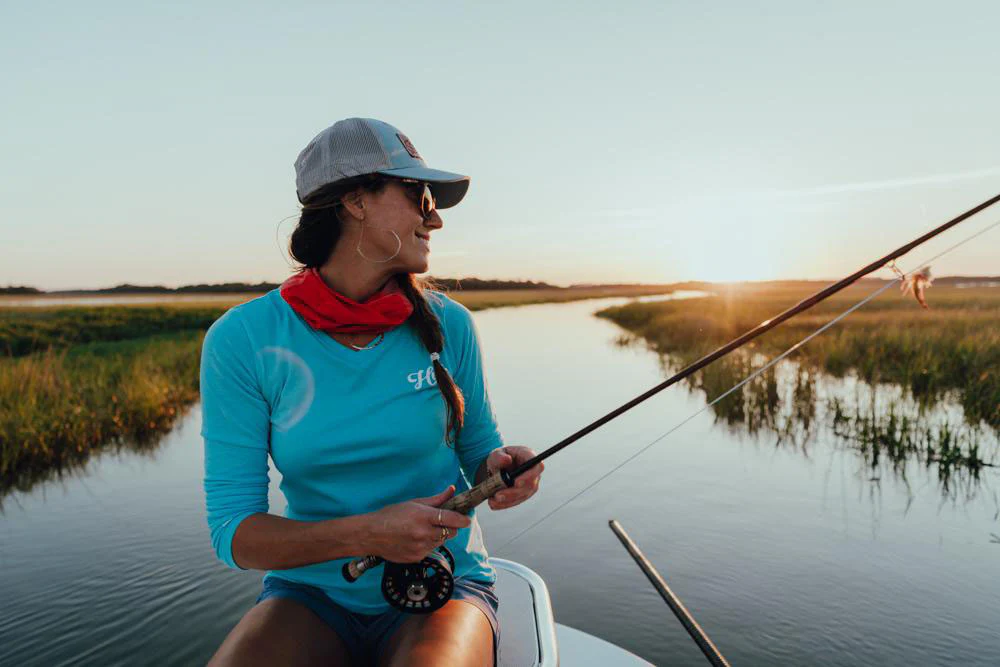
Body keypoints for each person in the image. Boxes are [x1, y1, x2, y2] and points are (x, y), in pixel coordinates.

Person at [200, 118, 544, 666]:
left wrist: (498, 471)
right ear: (356, 201)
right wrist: (369, 533)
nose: (434, 218)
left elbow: (479, 450)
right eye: (419, 195)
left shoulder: (450, 325)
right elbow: (234, 533)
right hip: (310, 595)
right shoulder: (242, 339)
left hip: (447, 583)